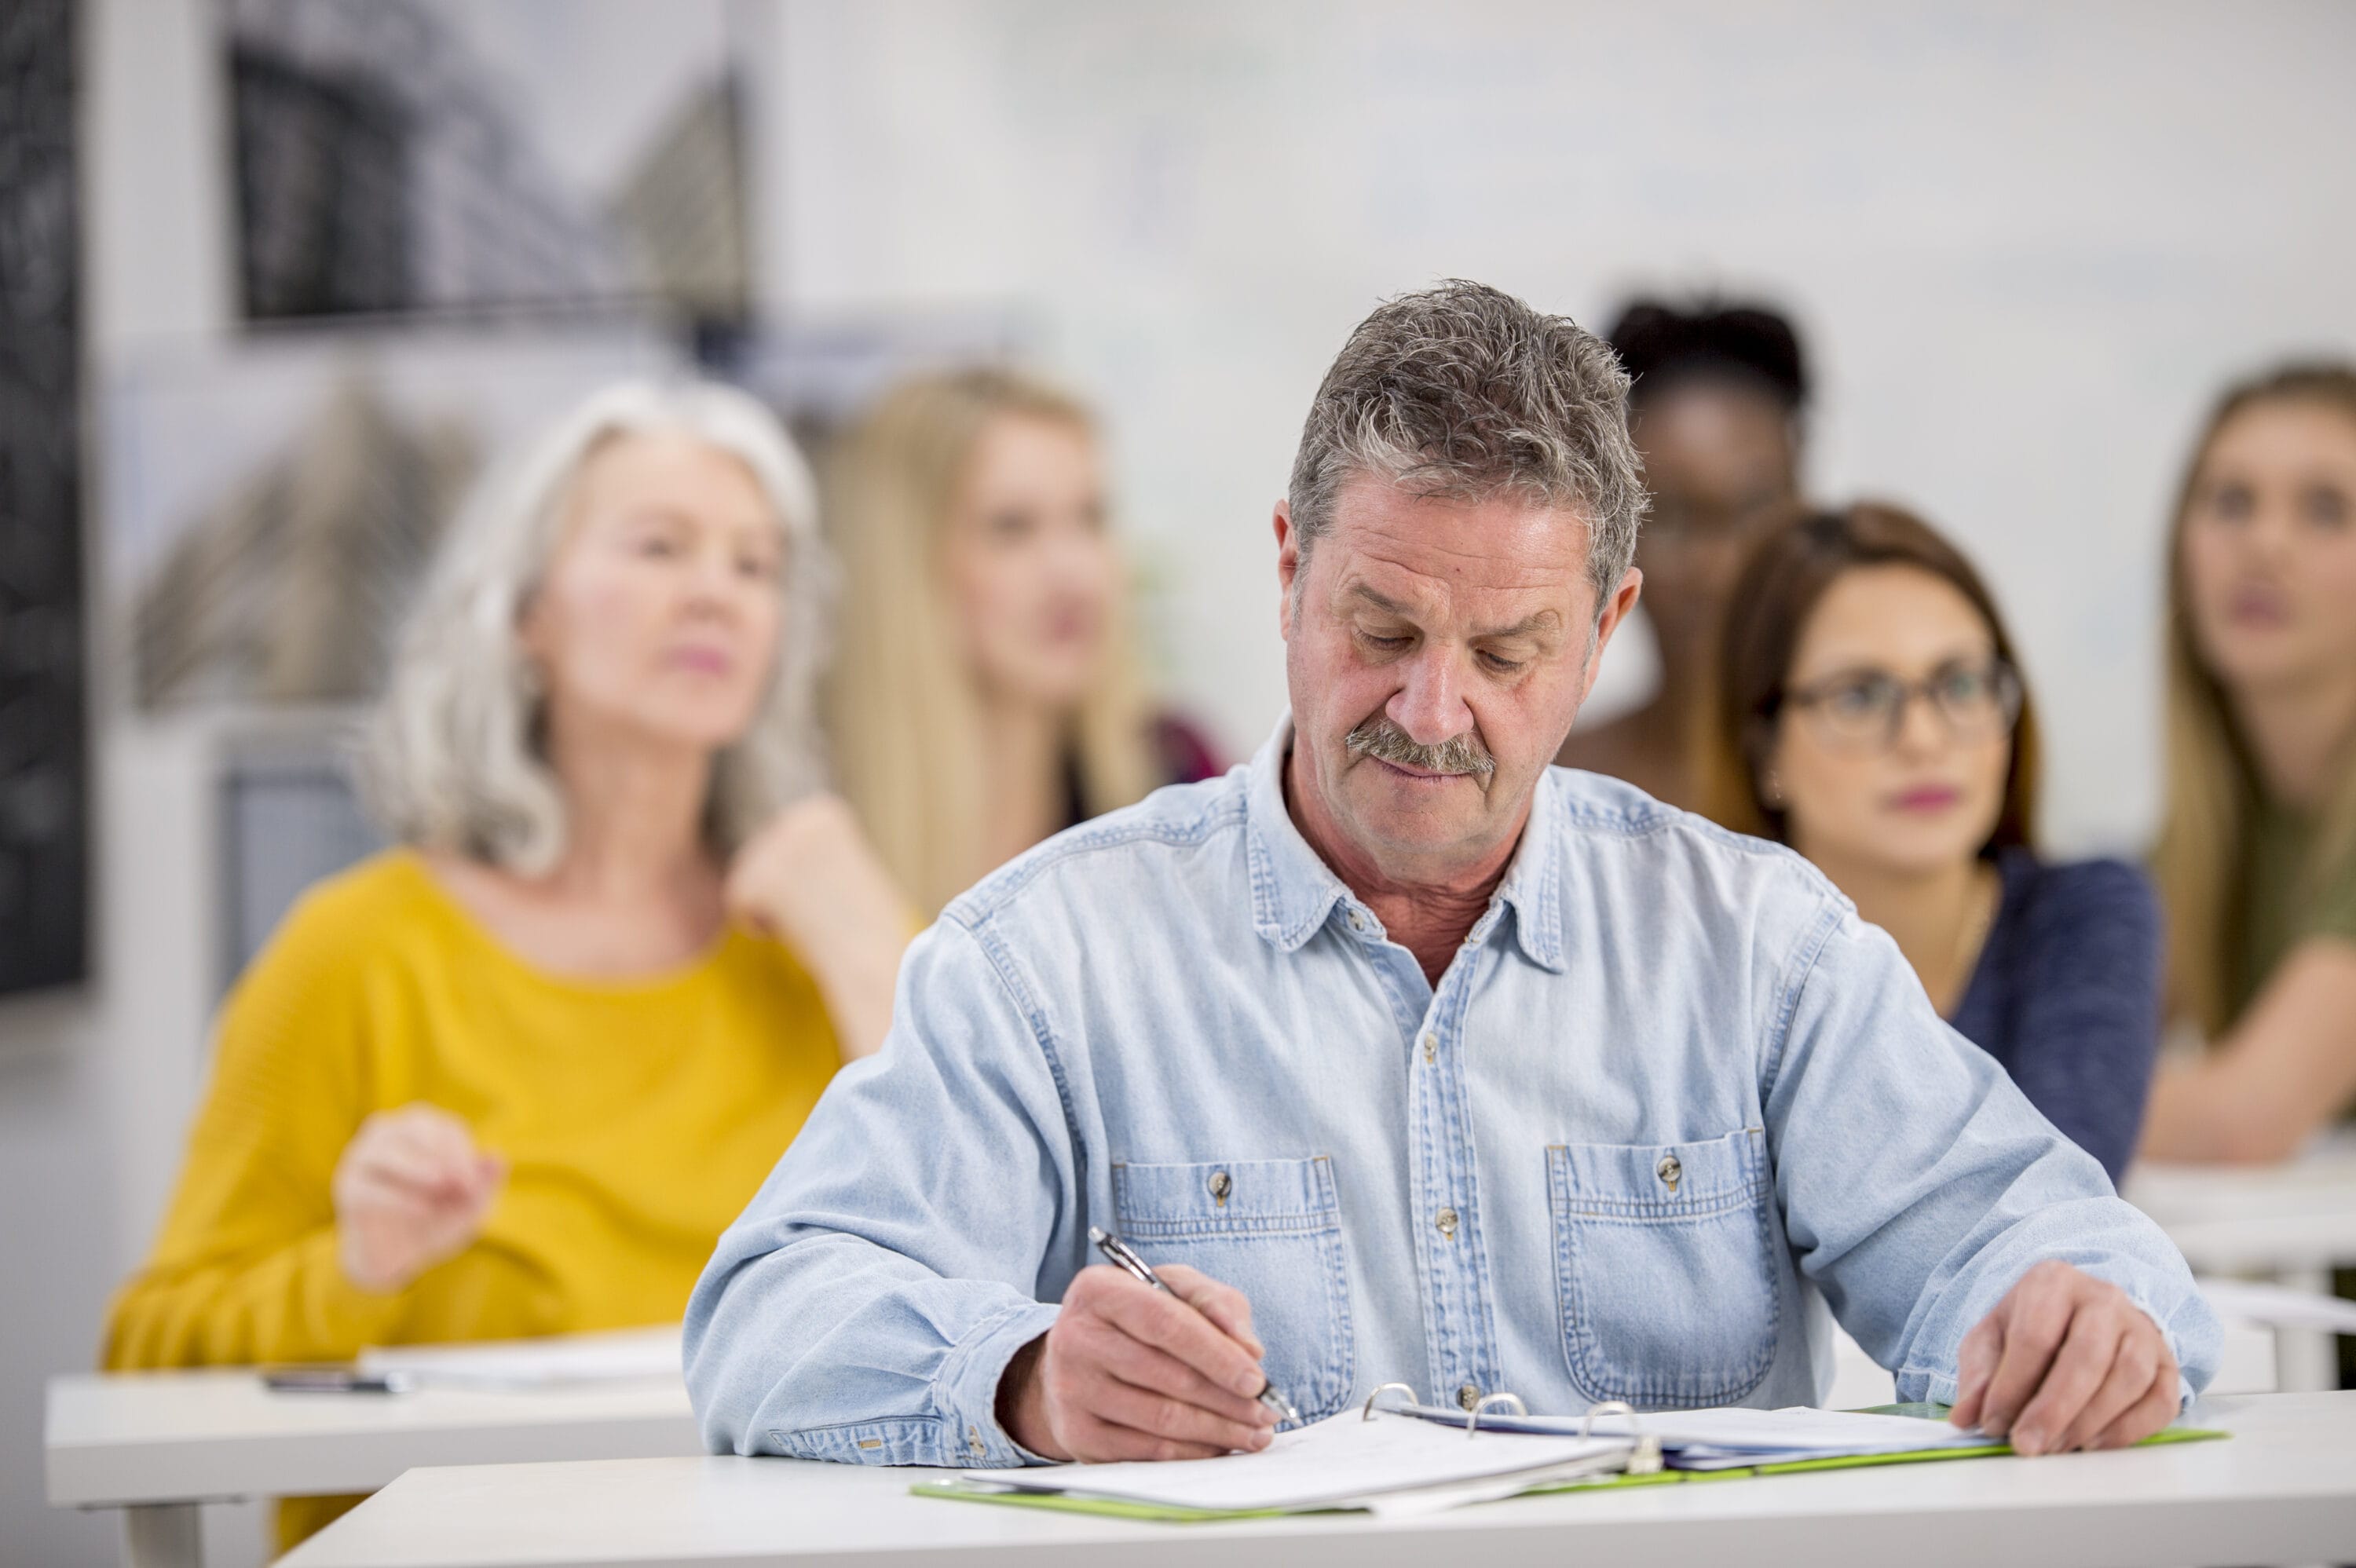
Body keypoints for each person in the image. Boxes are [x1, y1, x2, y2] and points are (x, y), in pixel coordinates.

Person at [686, 283, 2215, 1471]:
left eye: (1505, 652)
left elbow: (2046, 1238)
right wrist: (1021, 1376)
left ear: (1605, 625)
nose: (1433, 711)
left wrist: (2082, 1310)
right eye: (1381, 629)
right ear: (1287, 569)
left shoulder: (1758, 944)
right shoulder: (1053, 953)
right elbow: (772, 1311)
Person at [104, 382, 912, 1548]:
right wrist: (355, 1267)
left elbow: (1006, 1282)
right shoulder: (357, 952)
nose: (715, 592)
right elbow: (144, 1354)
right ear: (525, 610)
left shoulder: (827, 945)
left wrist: (867, 940)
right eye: (659, 545)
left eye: (756, 564)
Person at [1699, 504, 2161, 1181]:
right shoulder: (1696, 954)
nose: (1923, 737)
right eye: (1858, 696)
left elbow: (2053, 1208)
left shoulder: (2081, 914)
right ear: (1764, 748)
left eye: (1961, 684)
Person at [824, 367, 1222, 917]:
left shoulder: (1182, 782)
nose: (1074, 572)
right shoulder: (812, 818)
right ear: (907, 565)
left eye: (1090, 518)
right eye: (1012, 528)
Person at [2141, 364, 2356, 1163]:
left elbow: (2244, 1118)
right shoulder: (2202, 836)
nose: (2264, 544)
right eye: (2233, 502)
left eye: (2326, 509)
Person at [1555, 298, 1807, 808]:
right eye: (1669, 519)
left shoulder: (1872, 785)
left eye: (1755, 513)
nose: (1717, 568)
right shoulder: (1553, 787)